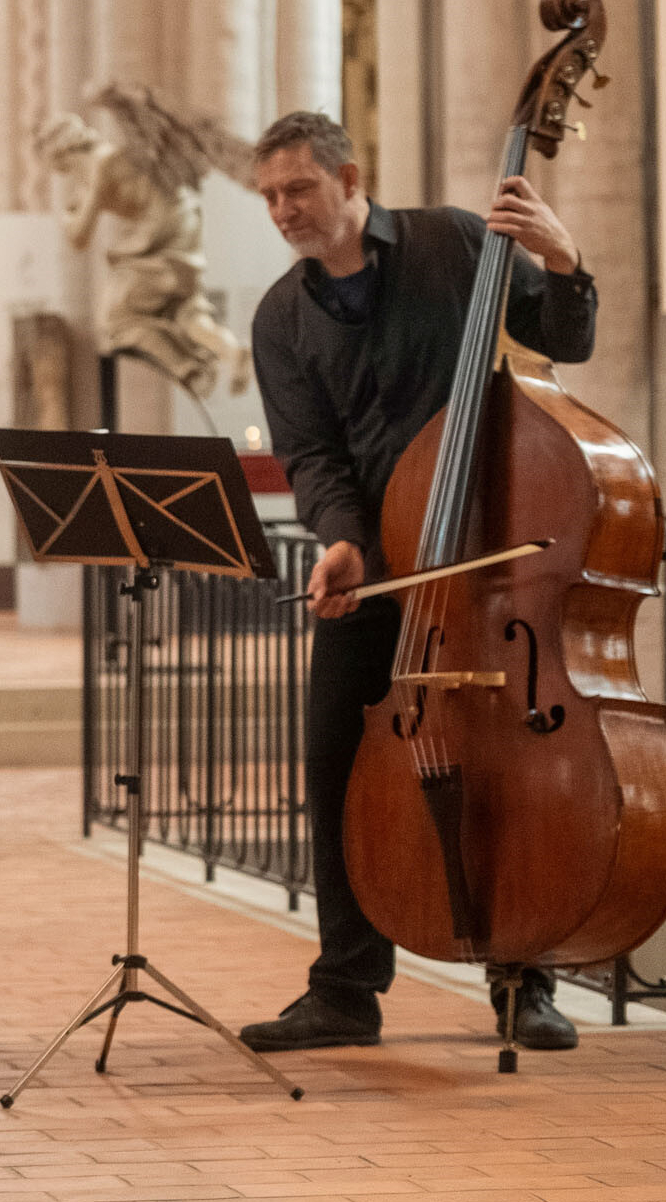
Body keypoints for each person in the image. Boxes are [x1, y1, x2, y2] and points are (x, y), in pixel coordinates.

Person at [243, 110, 589, 1055]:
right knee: (331, 760)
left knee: (504, 763)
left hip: (487, 565)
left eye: (298, 189)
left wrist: (562, 261)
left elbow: (566, 336)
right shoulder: (281, 316)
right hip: (381, 571)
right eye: (269, 196)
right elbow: (311, 455)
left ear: (350, 179)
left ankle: (523, 979)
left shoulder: (453, 242)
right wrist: (343, 540)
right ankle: (346, 989)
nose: (282, 210)